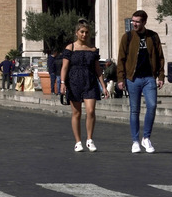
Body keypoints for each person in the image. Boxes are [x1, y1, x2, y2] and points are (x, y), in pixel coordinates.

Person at [118, 9, 165, 153]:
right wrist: (120, 78)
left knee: (152, 105)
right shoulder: (127, 37)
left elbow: (160, 57)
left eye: (137, 22)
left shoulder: (153, 36)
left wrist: (161, 76)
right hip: (133, 79)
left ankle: (146, 138)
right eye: (133, 21)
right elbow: (121, 59)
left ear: (144, 22)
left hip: (149, 78)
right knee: (134, 110)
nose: (134, 24)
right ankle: (135, 141)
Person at [59, 20, 107, 152]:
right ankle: (78, 141)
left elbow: (98, 70)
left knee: (91, 111)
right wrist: (62, 83)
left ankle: (90, 139)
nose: (84, 34)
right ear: (77, 33)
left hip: (90, 82)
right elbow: (64, 67)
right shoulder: (70, 48)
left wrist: (103, 86)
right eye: (82, 32)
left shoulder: (93, 49)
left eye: (86, 32)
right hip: (74, 82)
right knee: (77, 113)